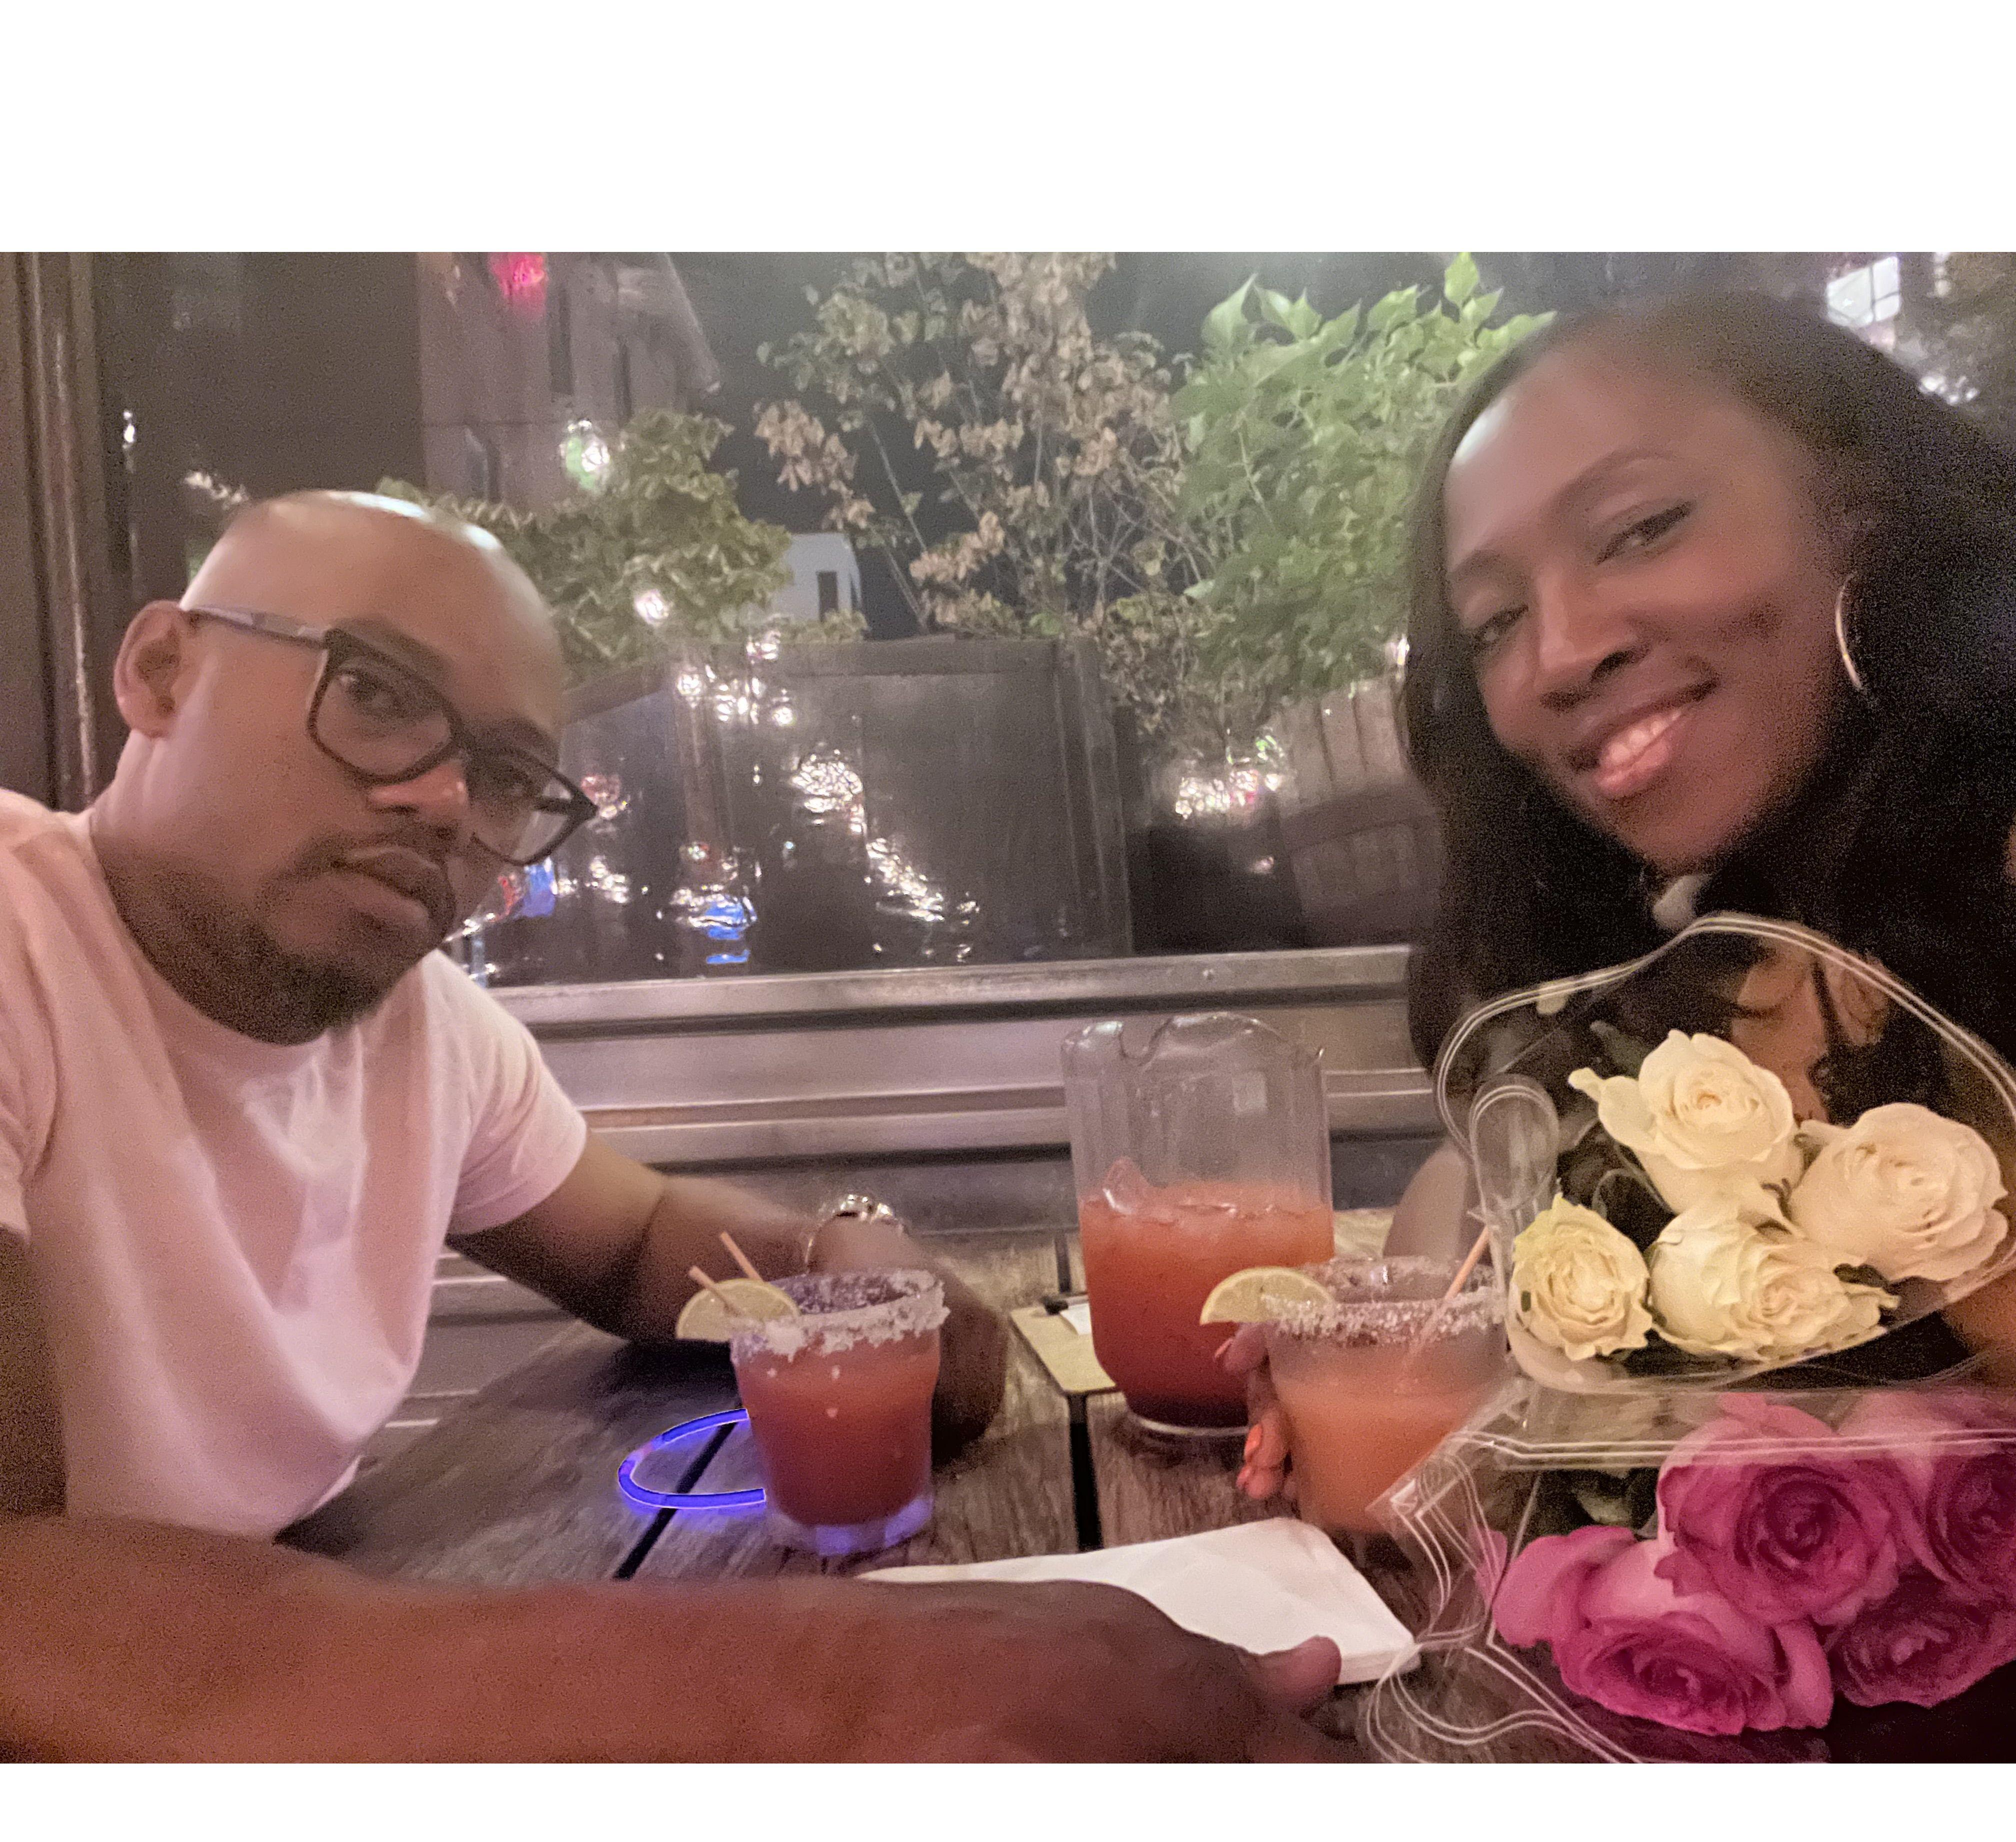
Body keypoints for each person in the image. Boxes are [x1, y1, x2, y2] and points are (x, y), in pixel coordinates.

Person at [0, 490, 1344, 1759]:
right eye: (377, 694)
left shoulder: (428, 1034)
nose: (445, 802)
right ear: (162, 671)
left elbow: (635, 1239)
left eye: (505, 774)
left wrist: (844, 1256)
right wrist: (847, 1684)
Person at [1238, 287, 2016, 1502]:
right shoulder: (1724, 956)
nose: (1558, 654)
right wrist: (1393, 1335)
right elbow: (1476, 1188)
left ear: (1858, 505)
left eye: (1642, 529)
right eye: (1494, 623)